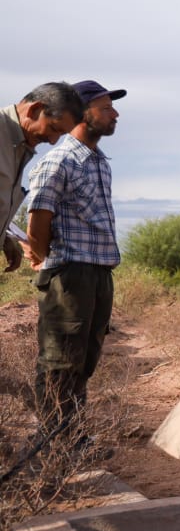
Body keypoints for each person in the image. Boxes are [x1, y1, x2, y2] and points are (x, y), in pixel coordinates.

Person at [25, 80, 124, 433]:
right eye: (106, 107)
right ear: (83, 112)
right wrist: (40, 256)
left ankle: (71, 438)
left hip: (98, 272)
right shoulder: (60, 160)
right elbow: (38, 218)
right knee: (60, 363)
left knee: (84, 362)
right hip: (69, 275)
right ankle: (53, 446)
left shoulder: (100, 163)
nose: (115, 114)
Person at [1, 82, 84, 271]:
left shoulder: (19, 145)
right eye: (54, 129)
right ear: (35, 109)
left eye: (61, 135)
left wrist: (4, 237)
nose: (54, 141)